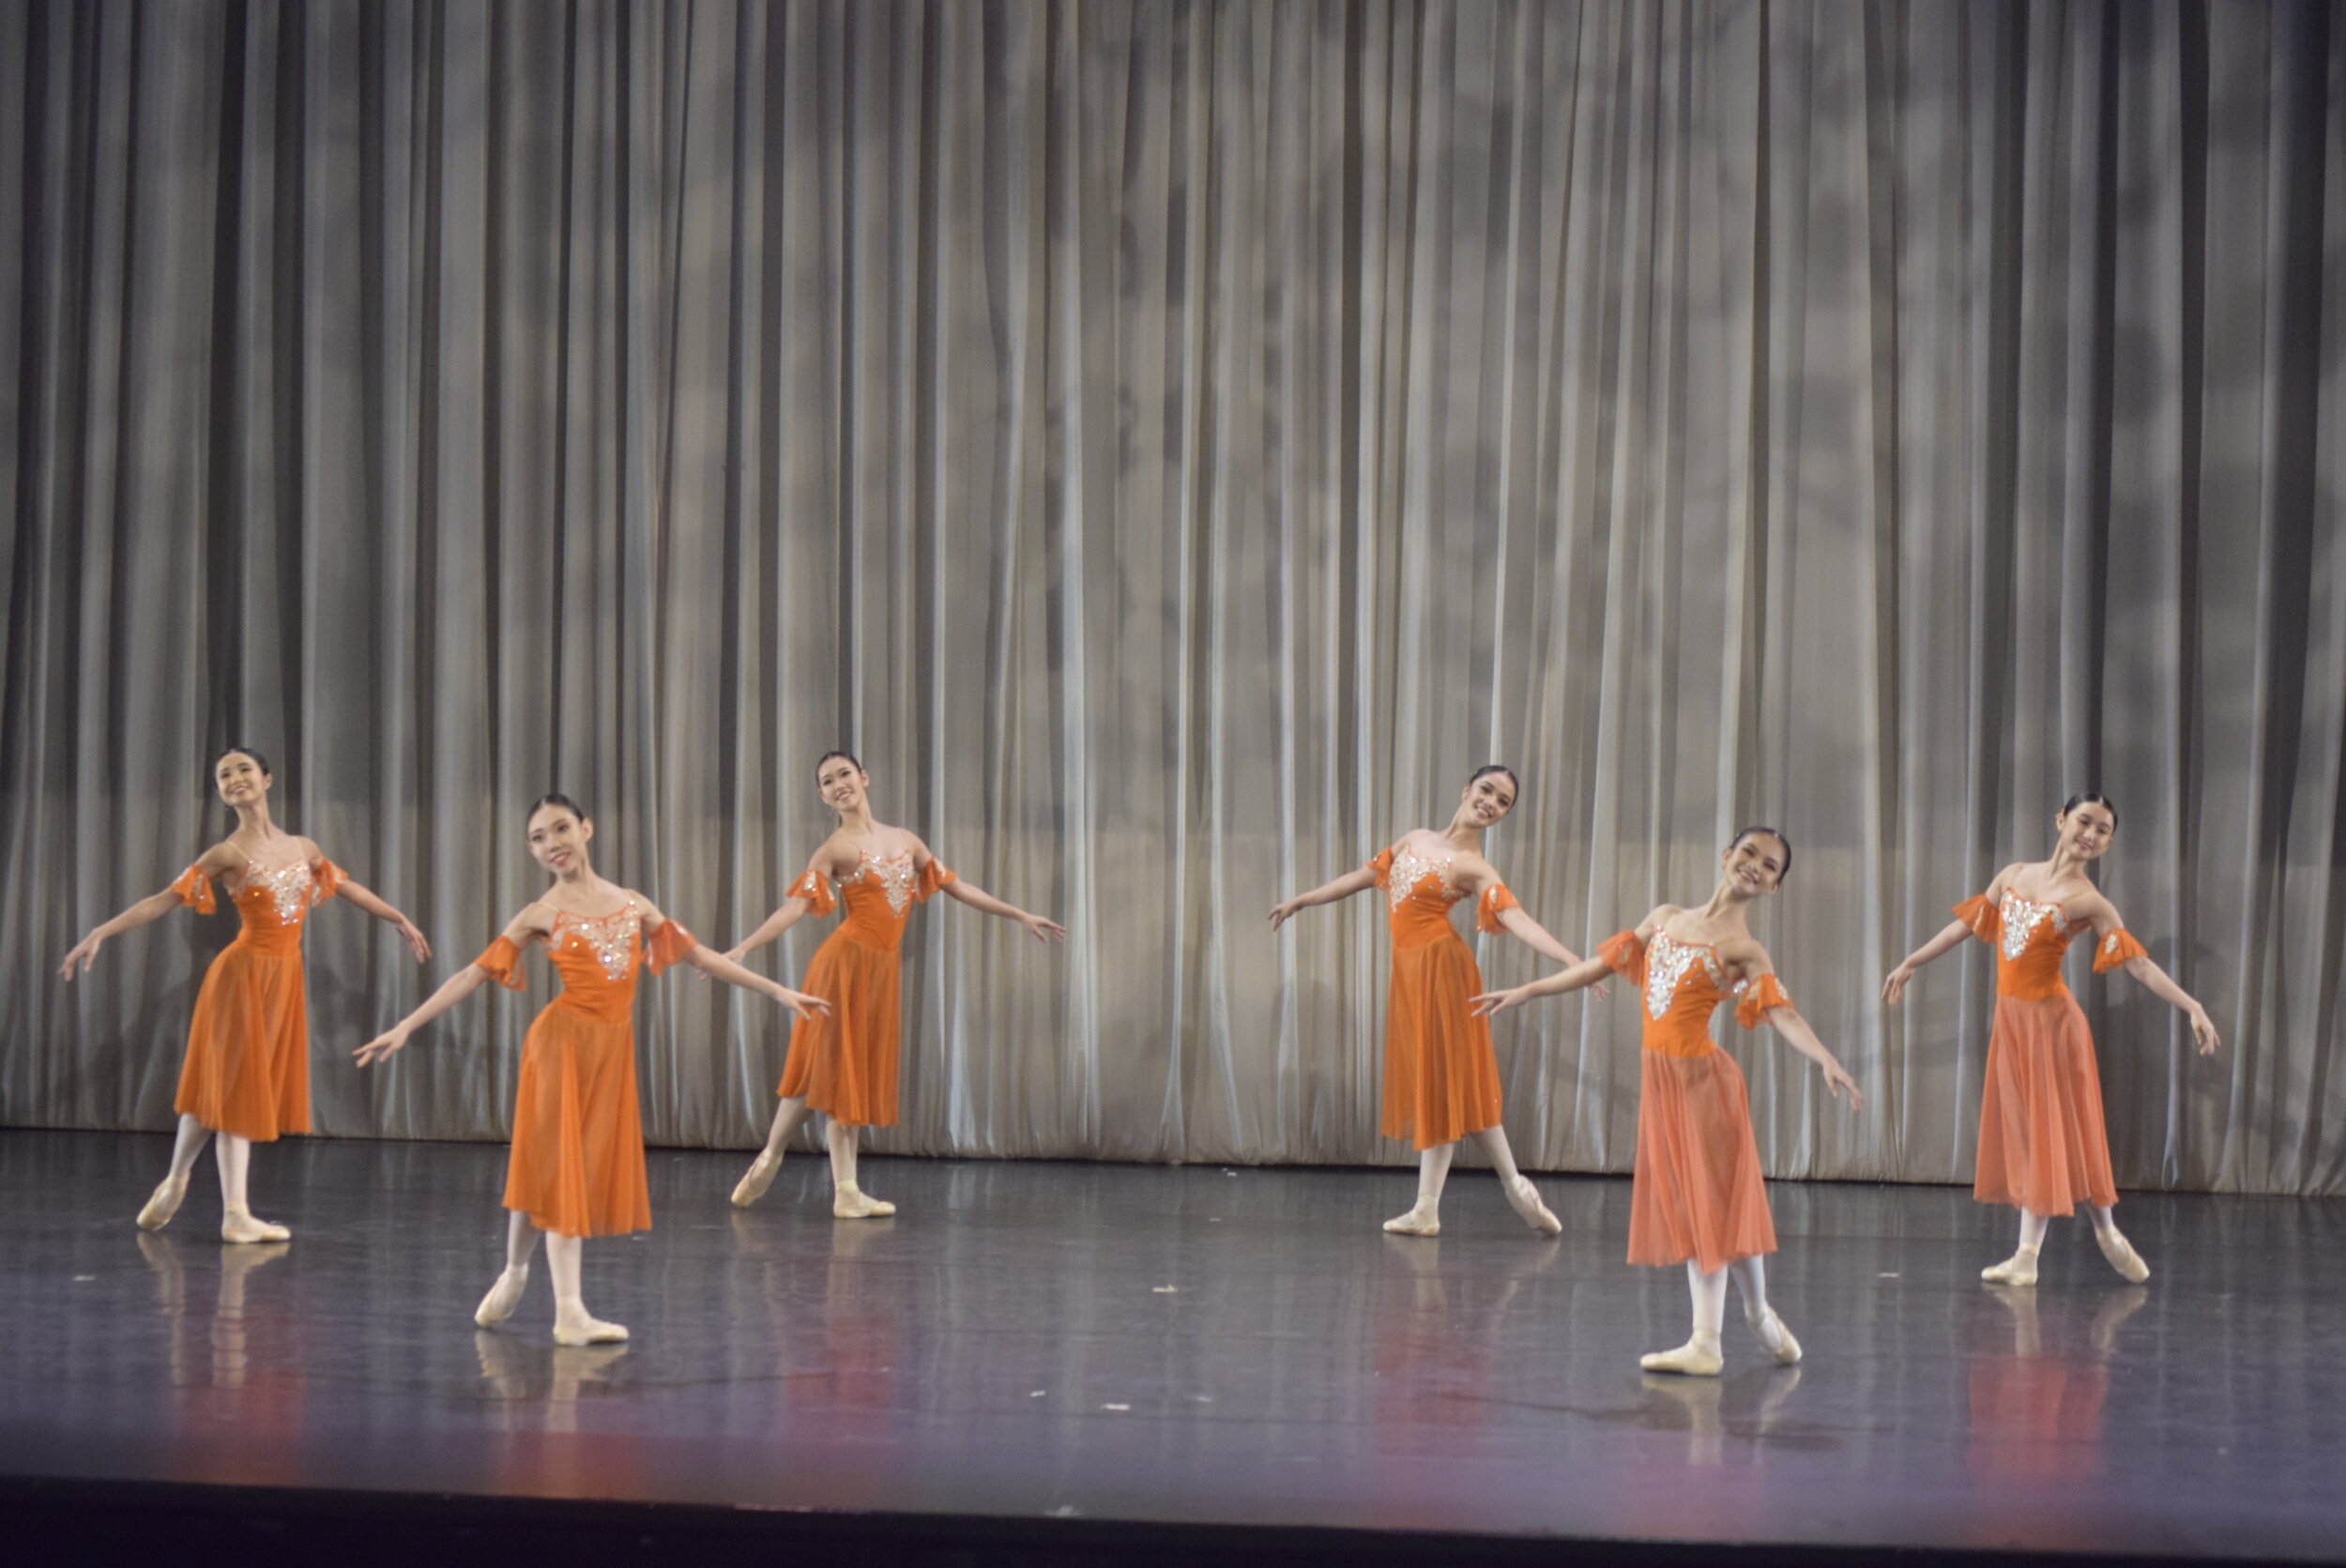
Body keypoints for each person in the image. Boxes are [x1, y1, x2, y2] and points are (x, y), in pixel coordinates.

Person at [355, 793, 828, 1345]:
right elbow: (473, 974)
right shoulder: (540, 914)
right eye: (537, 838)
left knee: (549, 1169)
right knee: (561, 1170)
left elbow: (701, 957)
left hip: (609, 1052)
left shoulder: (632, 904)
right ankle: (569, 1312)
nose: (551, 844)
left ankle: (514, 1271)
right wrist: (408, 1024)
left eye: (560, 829)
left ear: (587, 829)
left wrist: (778, 991)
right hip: (559, 1049)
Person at [1473, 828, 1862, 1375]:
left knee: (1712, 1205)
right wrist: (1529, 991)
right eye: (1748, 853)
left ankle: (1710, 1340)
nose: (1755, 865)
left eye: (1770, 866)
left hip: (1704, 1085)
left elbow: (1782, 1013)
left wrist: (1825, 1058)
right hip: (1665, 1082)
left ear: (1774, 887)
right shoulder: (1664, 918)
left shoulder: (1744, 950)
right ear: (1726, 855)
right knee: (1711, 1206)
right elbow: (1600, 965)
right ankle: (1755, 1316)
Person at [59, 746, 430, 1242]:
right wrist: (101, 932)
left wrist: (397, 918)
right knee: (234, 1087)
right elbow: (164, 899)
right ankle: (233, 1212)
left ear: (267, 779)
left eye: (243, 770)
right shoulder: (227, 854)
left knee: (229, 1087)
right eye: (224, 775)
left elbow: (347, 886)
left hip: (283, 979)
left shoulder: (304, 848)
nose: (235, 778)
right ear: (220, 791)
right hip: (241, 978)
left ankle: (176, 1180)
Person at [1882, 792, 2219, 1286]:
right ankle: (2027, 1257)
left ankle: (2106, 1232)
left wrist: (2192, 1006)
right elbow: (1964, 926)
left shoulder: (2092, 902)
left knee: (2068, 1130)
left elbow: (2139, 965)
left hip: (2054, 1026)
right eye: (2084, 821)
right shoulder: (2014, 875)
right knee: (2028, 1134)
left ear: (2108, 843)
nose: (2091, 834)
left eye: (2103, 830)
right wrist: (1912, 961)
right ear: (2062, 819)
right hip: (2014, 1024)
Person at [726, 752, 1065, 1217]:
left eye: (845, 773)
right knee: (823, 1066)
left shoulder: (905, 840)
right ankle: (775, 1153)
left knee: (850, 1076)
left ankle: (845, 1191)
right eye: (827, 781)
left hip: (880, 973)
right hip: (843, 965)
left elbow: (957, 887)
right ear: (822, 796)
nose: (839, 783)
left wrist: (1019, 913)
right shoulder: (834, 849)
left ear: (864, 777)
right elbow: (796, 908)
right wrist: (743, 948)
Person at [1270, 764, 1594, 1237]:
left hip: (1443, 973)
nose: (1491, 803)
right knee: (1438, 1085)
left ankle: (1508, 1187)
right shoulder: (1416, 838)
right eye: (1487, 790)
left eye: (1503, 802)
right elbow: (1362, 876)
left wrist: (1573, 961)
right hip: (1412, 973)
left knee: (1452, 1081)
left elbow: (1518, 919)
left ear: (1503, 815)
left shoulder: (1474, 867)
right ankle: (1433, 1207)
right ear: (1466, 789)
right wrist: (1304, 899)